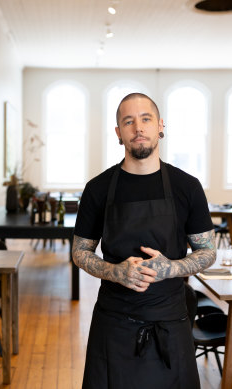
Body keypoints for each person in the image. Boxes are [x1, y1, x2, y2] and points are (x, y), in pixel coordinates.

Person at [72, 92, 216, 389]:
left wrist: (171, 268)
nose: (138, 127)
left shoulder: (187, 186)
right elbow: (80, 251)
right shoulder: (97, 189)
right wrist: (115, 272)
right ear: (119, 133)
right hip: (114, 321)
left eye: (146, 119)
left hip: (169, 319)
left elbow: (207, 251)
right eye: (129, 121)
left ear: (160, 126)